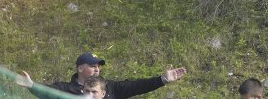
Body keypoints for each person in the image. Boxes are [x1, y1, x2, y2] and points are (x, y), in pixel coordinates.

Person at [18, 52, 186, 97]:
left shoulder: (111, 88)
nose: (97, 69)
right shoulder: (65, 89)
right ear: (79, 68)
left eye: (98, 66)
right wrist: (31, 86)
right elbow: (47, 93)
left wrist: (162, 79)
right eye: (92, 66)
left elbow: (137, 86)